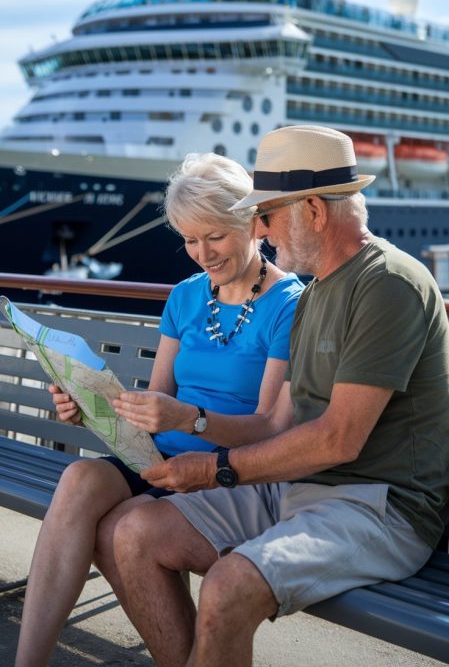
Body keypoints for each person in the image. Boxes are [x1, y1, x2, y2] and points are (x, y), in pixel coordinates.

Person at [95, 124, 449, 667]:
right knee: (135, 533)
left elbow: (339, 439)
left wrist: (216, 470)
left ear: (312, 210)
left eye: (268, 213)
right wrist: (186, 433)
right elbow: (277, 425)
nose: (257, 227)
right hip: (299, 489)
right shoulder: (314, 295)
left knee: (227, 587)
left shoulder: (388, 282)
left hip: (378, 506)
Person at [14, 152, 303, 667]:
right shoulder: (185, 297)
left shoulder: (288, 304)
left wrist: (187, 418)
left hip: (229, 471)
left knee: (117, 532)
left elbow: (268, 428)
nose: (202, 253)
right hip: (159, 457)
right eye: (190, 240)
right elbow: (155, 400)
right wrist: (88, 403)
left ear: (251, 223)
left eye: (214, 236)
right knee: (79, 479)